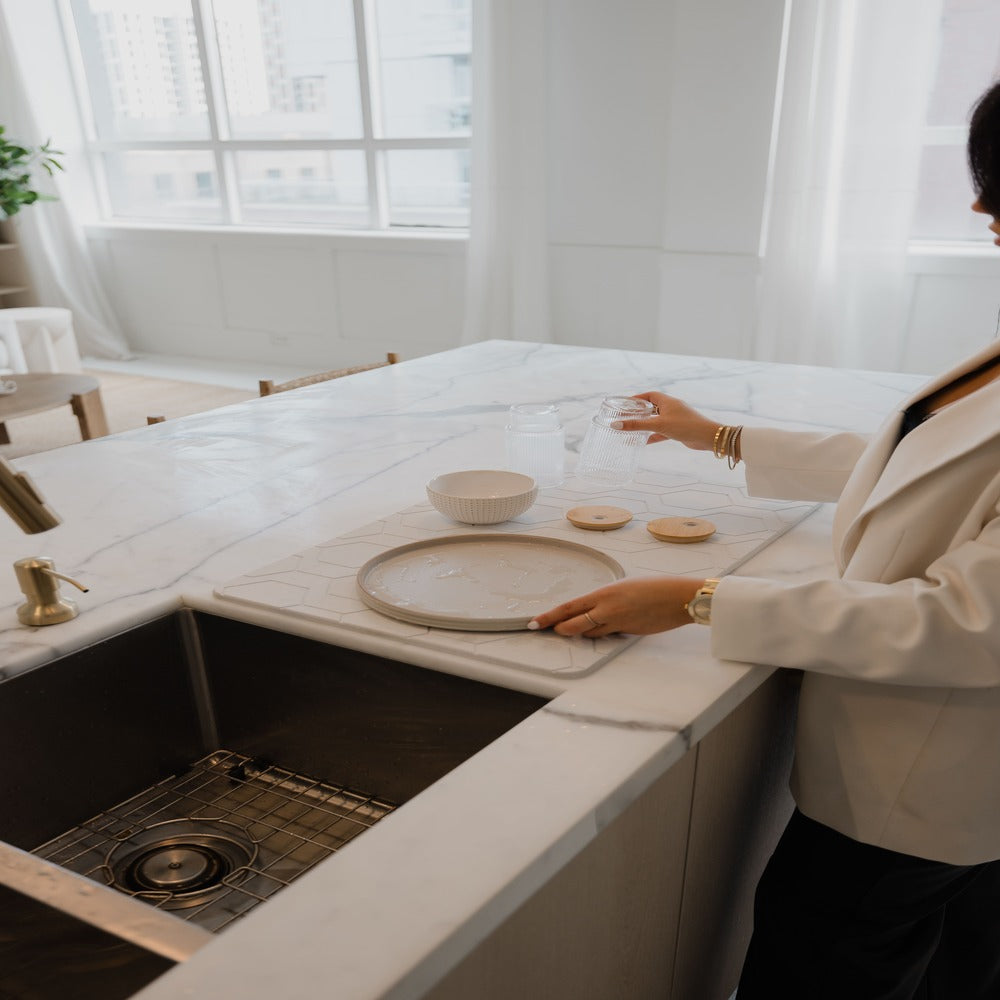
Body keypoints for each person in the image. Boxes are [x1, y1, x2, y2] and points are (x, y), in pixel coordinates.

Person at [529, 80, 1000, 1000]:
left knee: (821, 968)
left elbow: (966, 622)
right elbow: (932, 462)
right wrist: (720, 436)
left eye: (998, 195)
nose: (981, 210)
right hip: (943, 785)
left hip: (923, 791)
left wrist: (697, 600)